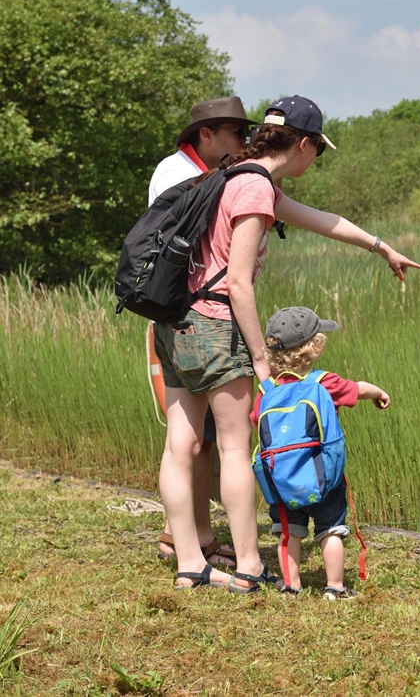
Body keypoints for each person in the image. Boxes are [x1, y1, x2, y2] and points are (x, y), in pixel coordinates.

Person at [153, 94, 420, 590]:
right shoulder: (254, 188)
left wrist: (383, 248)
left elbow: (321, 219)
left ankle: (190, 562)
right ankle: (251, 564)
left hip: (176, 322)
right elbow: (238, 283)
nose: (314, 160)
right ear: (303, 144)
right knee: (235, 446)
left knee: (180, 444)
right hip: (215, 324)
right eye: (317, 150)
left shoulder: (233, 173)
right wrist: (261, 360)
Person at [149, 96, 257, 569]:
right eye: (236, 133)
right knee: (222, 442)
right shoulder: (182, 176)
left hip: (174, 317)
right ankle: (195, 542)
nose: (243, 142)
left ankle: (194, 546)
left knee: (193, 440)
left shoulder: (201, 172)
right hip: (197, 317)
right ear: (207, 134)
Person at [249, 306, 391, 599]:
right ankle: (335, 587)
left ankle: (292, 585)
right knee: (331, 529)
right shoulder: (322, 382)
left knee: (288, 532)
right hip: (322, 476)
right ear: (313, 348)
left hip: (282, 480)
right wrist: (378, 393)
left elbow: (255, 420)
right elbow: (357, 389)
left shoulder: (266, 391)